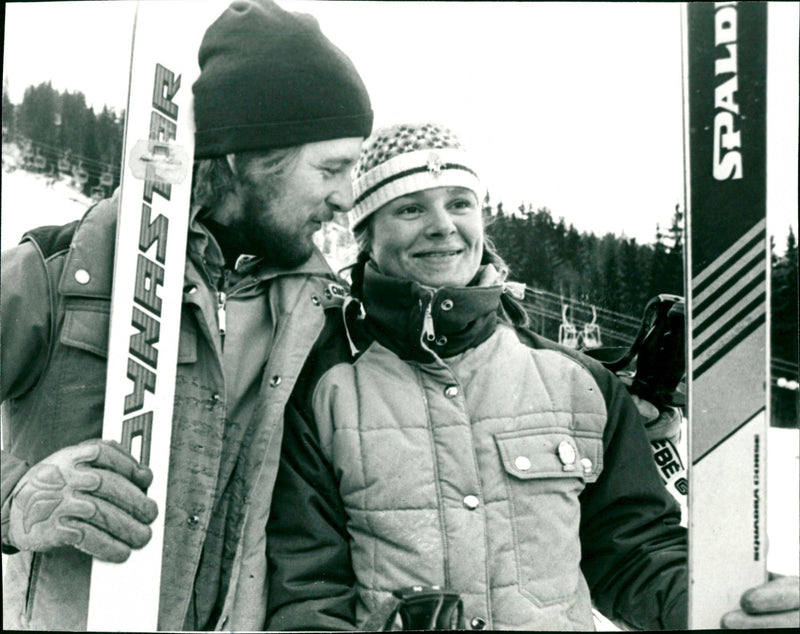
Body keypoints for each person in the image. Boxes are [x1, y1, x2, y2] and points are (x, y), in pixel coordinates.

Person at [264, 122, 800, 630]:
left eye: (459, 203)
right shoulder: (321, 386)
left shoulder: (579, 384)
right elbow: (309, 592)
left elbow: (633, 556)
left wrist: (724, 602)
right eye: (409, 209)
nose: (442, 226)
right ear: (367, 236)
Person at [0, 0, 372, 630]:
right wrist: (12, 499)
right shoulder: (66, 271)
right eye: (330, 168)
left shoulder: (319, 314)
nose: (345, 198)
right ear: (245, 157)